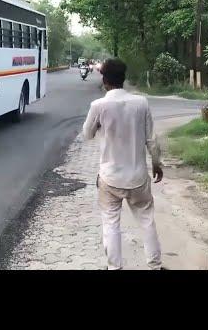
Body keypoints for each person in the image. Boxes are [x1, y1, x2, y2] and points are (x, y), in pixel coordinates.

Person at [82, 58, 164, 270]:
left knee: (110, 223)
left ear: (104, 80)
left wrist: (100, 124)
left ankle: (114, 267)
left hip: (110, 179)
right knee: (147, 221)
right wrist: (156, 164)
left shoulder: (98, 106)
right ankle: (155, 266)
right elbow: (151, 139)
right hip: (138, 178)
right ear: (124, 78)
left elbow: (87, 134)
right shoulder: (141, 103)